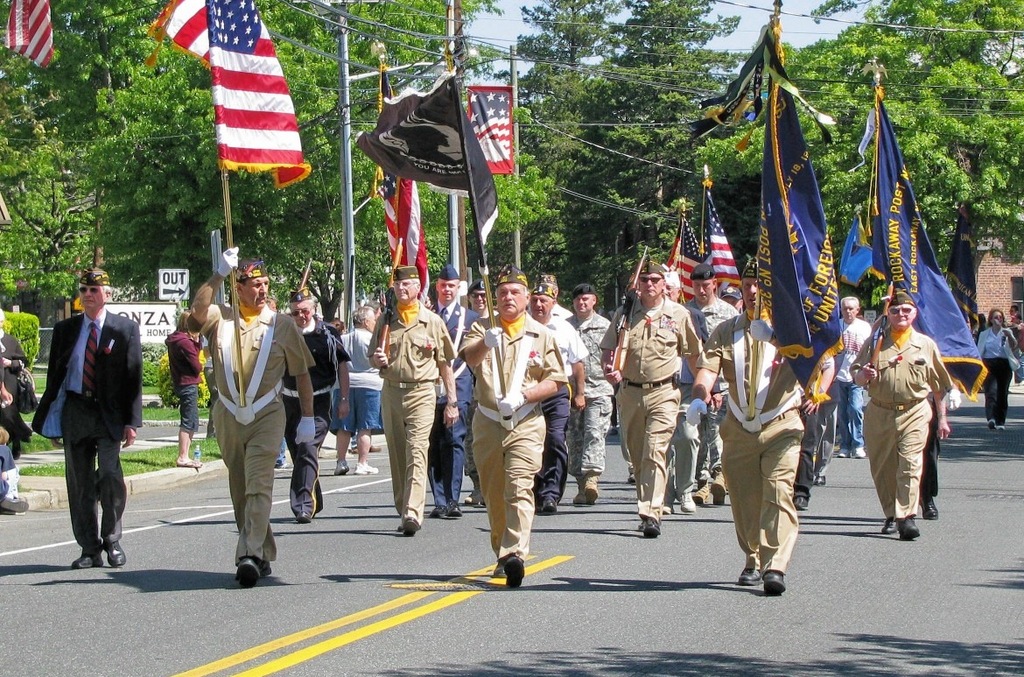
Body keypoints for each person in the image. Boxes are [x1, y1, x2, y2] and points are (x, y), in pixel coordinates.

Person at [686, 261, 821, 595]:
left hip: (781, 424)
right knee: (745, 500)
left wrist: (777, 338)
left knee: (777, 492)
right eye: (747, 284)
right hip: (739, 427)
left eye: (759, 285)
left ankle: (775, 565)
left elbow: (811, 362)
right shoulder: (726, 330)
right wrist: (700, 396)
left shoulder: (793, 330)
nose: (752, 291)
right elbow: (708, 368)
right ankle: (753, 556)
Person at [190, 252, 316, 587]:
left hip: (267, 413)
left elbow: (301, 374)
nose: (262, 290)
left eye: (265, 284)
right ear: (238, 287)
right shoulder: (221, 318)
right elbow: (196, 312)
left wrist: (307, 417)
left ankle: (247, 553)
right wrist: (217, 274)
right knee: (241, 488)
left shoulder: (282, 325)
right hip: (228, 413)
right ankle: (262, 550)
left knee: (259, 483)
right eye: (255, 284)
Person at [462, 264, 566, 587]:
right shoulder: (482, 328)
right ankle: (502, 552)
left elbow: (556, 381)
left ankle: (515, 554)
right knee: (494, 492)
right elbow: (469, 358)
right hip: (488, 422)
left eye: (515, 292)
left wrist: (525, 395)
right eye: (503, 292)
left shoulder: (542, 334)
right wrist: (486, 344)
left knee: (519, 486)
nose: (508, 297)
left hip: (525, 422)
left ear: (525, 297)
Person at [32, 269, 143, 570]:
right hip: (76, 411)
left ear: (107, 294)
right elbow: (56, 377)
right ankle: (89, 548)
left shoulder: (125, 329)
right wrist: (53, 420)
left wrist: (132, 422)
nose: (87, 295)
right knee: (79, 483)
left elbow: (133, 378)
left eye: (94, 290)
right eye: (83, 290)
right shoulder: (65, 329)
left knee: (109, 473)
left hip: (109, 414)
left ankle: (112, 538)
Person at [600, 260, 701, 538]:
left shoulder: (678, 314)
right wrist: (610, 369)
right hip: (630, 392)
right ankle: (646, 504)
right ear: (637, 284)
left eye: (655, 279)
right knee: (637, 454)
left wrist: (706, 390)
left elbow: (693, 354)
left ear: (663, 283)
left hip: (664, 392)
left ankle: (651, 512)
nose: (649, 284)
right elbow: (609, 350)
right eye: (644, 280)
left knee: (656, 450)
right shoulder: (625, 314)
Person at [852, 290, 953, 541]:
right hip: (880, 411)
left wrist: (941, 418)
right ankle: (891, 513)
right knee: (883, 467)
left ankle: (906, 516)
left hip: (915, 410)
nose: (901, 314)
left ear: (914, 314)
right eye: (895, 310)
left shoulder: (925, 345)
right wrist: (864, 375)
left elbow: (938, 385)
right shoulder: (876, 341)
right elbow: (855, 372)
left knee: (910, 463)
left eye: (906, 310)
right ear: (889, 313)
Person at [370, 265, 458, 536]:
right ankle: (402, 504)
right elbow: (372, 356)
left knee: (417, 450)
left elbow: (445, 364)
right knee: (397, 453)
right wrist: (378, 359)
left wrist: (452, 401)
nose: (402, 289)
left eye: (407, 285)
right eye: (398, 286)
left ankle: (412, 512)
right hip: (392, 391)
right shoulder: (385, 320)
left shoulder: (432, 321)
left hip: (422, 392)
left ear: (418, 288)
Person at [283, 287, 351, 523]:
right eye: (296, 313)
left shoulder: (328, 334)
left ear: (314, 310)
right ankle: (314, 499)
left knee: (308, 448)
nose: (301, 316)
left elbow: (342, 365)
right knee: (298, 452)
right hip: (289, 400)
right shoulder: (284, 334)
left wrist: (344, 398)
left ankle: (302, 505)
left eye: (305, 311)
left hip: (320, 401)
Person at [530, 278, 587, 513]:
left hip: (557, 391)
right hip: (529, 393)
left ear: (553, 303)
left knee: (554, 439)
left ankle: (552, 493)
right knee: (532, 443)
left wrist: (581, 393)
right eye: (534, 300)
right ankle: (533, 490)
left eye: (543, 300)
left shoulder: (564, 328)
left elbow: (578, 363)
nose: (538, 305)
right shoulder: (521, 326)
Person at [683, 263, 737, 508]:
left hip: (723, 384)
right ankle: (702, 480)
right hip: (692, 383)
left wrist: (719, 386)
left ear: (714, 284)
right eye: (696, 286)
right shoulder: (683, 312)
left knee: (717, 432)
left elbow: (735, 352)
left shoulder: (728, 314)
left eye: (706, 285)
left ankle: (718, 476)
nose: (701, 290)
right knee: (696, 432)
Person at [427, 265, 479, 518]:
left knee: (454, 440)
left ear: (459, 288)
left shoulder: (469, 319)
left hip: (458, 383)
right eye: (443, 285)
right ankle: (438, 500)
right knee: (432, 443)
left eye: (452, 285)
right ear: (436, 286)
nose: (447, 289)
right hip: (429, 385)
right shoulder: (426, 314)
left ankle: (453, 499)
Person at [566, 283, 613, 506]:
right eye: (578, 299)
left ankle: (592, 479)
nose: (582, 303)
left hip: (599, 389)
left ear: (594, 301)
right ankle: (581, 484)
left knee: (594, 433)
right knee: (574, 439)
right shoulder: (565, 327)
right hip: (570, 391)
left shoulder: (606, 327)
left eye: (586, 299)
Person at [333, 305, 382, 476]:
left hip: (344, 385)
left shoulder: (343, 339)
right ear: (366, 321)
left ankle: (341, 461)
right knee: (365, 426)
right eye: (373, 320)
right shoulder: (373, 339)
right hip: (370, 385)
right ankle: (362, 462)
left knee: (344, 426)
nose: (375, 323)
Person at [833, 296, 872, 458]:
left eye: (851, 308)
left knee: (855, 409)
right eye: (845, 308)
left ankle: (858, 444)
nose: (848, 311)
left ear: (857, 310)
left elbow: (870, 350)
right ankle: (845, 445)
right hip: (838, 376)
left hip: (856, 375)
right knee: (841, 413)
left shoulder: (864, 327)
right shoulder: (836, 326)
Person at [462, 278, 489, 506]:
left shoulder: (498, 322)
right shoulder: (463, 322)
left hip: (492, 390)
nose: (479, 299)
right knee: (471, 440)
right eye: (475, 295)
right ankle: (478, 486)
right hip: (468, 389)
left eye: (483, 295)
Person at [165, 311, 203, 469]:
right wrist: (196, 343)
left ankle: (186, 455)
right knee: (188, 420)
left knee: (193, 420)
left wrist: (197, 341)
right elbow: (196, 366)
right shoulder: (185, 343)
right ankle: (183, 456)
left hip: (182, 382)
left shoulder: (176, 339)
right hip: (188, 383)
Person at [0, 308, 34, 458]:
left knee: (9, 414)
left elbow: (22, 361)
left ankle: (17, 438)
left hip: (9, 382)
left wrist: (10, 363)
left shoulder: (10, 341)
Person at [976, 308, 1016, 430]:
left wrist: (1010, 336)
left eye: (1000, 317)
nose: (998, 319)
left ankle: (1000, 422)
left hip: (1004, 364)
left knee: (1002, 394)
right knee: (991, 392)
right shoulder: (984, 334)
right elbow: (979, 350)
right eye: (996, 317)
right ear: (991, 320)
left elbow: (1014, 347)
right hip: (989, 364)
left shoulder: (1007, 331)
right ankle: (991, 418)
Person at [1, 428, 29, 515]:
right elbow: (4, 476)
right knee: (15, 470)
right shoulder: (5, 450)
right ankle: (11, 497)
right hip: (1, 492)